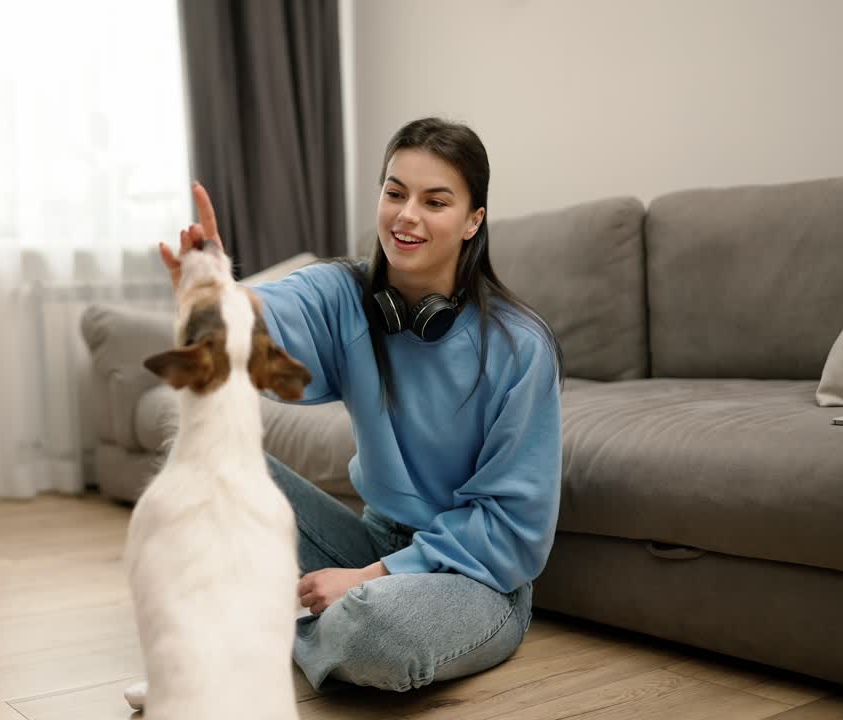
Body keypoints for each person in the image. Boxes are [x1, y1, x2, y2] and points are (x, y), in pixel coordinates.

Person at [159, 117, 564, 693]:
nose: (406, 215)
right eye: (395, 193)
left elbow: (513, 533)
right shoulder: (345, 294)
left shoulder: (520, 348)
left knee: (373, 634)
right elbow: (271, 315)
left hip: (475, 577)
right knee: (204, 456)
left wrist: (369, 579)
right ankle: (295, 626)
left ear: (473, 220)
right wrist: (215, 293)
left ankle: (263, 633)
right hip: (375, 536)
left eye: (435, 201)